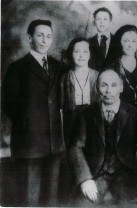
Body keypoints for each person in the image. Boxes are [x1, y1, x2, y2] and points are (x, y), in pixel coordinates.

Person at [1, 19, 65, 206]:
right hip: (29, 144)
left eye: (48, 36)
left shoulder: (57, 66)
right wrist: (30, 124)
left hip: (55, 144)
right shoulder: (17, 68)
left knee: (51, 199)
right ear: (30, 38)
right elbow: (8, 104)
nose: (45, 40)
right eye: (40, 35)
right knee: (31, 198)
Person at [68, 69, 137, 206]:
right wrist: (84, 179)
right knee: (80, 205)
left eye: (113, 85)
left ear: (121, 87)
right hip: (96, 173)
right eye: (104, 85)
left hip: (125, 173)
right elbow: (76, 147)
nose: (108, 90)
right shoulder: (86, 114)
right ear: (97, 88)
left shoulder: (134, 113)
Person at [60, 38, 99, 148]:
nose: (81, 55)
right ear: (71, 54)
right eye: (77, 51)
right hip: (71, 119)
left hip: (92, 117)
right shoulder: (65, 77)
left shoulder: (97, 75)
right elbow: (61, 108)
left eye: (85, 52)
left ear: (90, 55)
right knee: (72, 149)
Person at [107, 25, 137, 108]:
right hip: (121, 114)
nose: (130, 45)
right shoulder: (112, 68)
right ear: (119, 42)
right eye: (126, 41)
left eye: (134, 41)